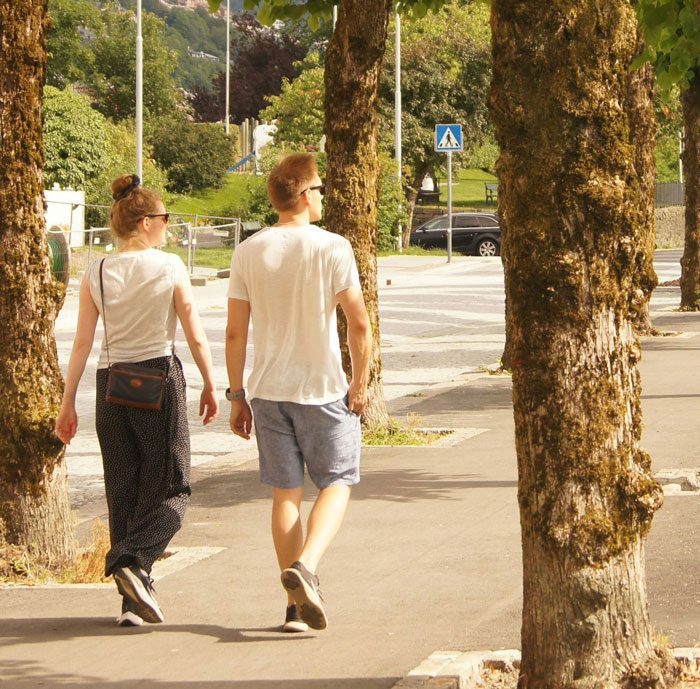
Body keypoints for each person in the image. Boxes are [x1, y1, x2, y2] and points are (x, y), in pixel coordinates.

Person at [55, 174, 219, 627]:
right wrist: (211, 383)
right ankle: (132, 559)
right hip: (157, 378)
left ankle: (132, 602)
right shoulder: (168, 266)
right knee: (172, 485)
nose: (168, 225)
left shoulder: (98, 269)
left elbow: (82, 342)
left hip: (111, 384)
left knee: (123, 491)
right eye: (165, 218)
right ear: (145, 222)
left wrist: (68, 402)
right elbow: (194, 333)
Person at [225, 153, 371, 633]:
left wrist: (236, 394)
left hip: (268, 391)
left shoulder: (248, 250)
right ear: (306, 196)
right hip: (322, 388)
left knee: (285, 494)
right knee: (337, 481)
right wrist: (360, 382)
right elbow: (359, 324)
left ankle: (293, 611)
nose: (323, 196)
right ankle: (306, 567)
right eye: (321, 189)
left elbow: (233, 333)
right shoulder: (333, 247)